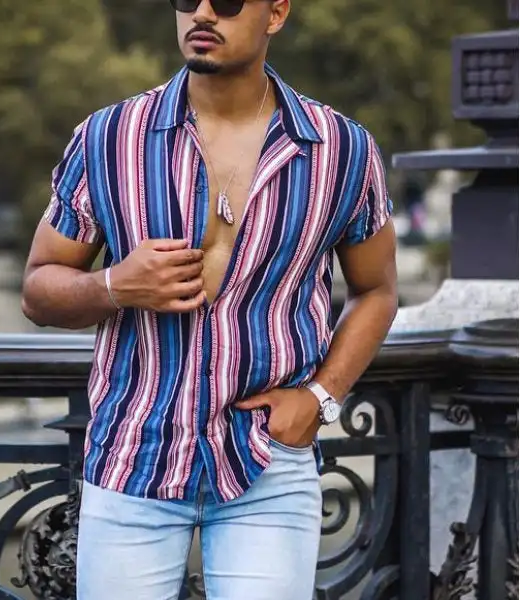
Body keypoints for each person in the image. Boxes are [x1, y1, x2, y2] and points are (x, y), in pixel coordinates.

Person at [21, 0, 398, 598]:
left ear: (275, 13)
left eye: (224, 1)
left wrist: (321, 398)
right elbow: (39, 288)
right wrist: (115, 285)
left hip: (268, 465)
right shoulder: (109, 137)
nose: (201, 13)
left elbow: (377, 290)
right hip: (134, 457)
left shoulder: (342, 149)